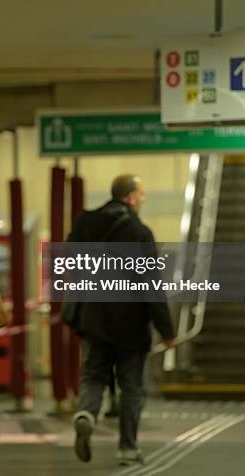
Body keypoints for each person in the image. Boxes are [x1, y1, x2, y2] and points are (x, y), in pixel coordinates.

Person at [66, 174, 175, 467]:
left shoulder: (85, 222)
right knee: (131, 386)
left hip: (93, 315)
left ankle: (86, 413)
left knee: (93, 375)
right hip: (130, 322)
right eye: (141, 194)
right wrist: (166, 329)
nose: (143, 200)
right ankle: (127, 448)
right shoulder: (139, 232)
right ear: (130, 198)